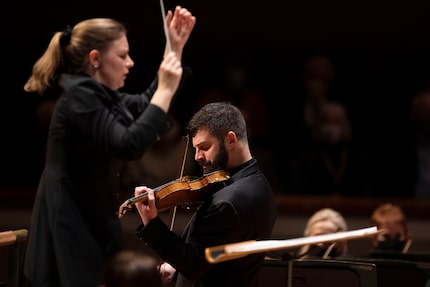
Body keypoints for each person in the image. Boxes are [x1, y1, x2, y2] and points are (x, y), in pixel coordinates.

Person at [20, 6, 196, 287]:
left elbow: (143, 108)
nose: (131, 63)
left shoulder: (98, 96)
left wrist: (173, 51)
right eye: (123, 55)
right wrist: (164, 89)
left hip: (90, 218)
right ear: (95, 59)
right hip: (70, 224)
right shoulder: (79, 98)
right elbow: (129, 145)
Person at [133, 102, 277, 287]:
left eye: (204, 147)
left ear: (231, 140)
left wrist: (151, 223)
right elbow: (209, 258)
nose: (197, 157)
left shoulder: (228, 202)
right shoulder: (258, 184)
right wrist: (176, 266)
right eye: (195, 149)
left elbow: (193, 265)